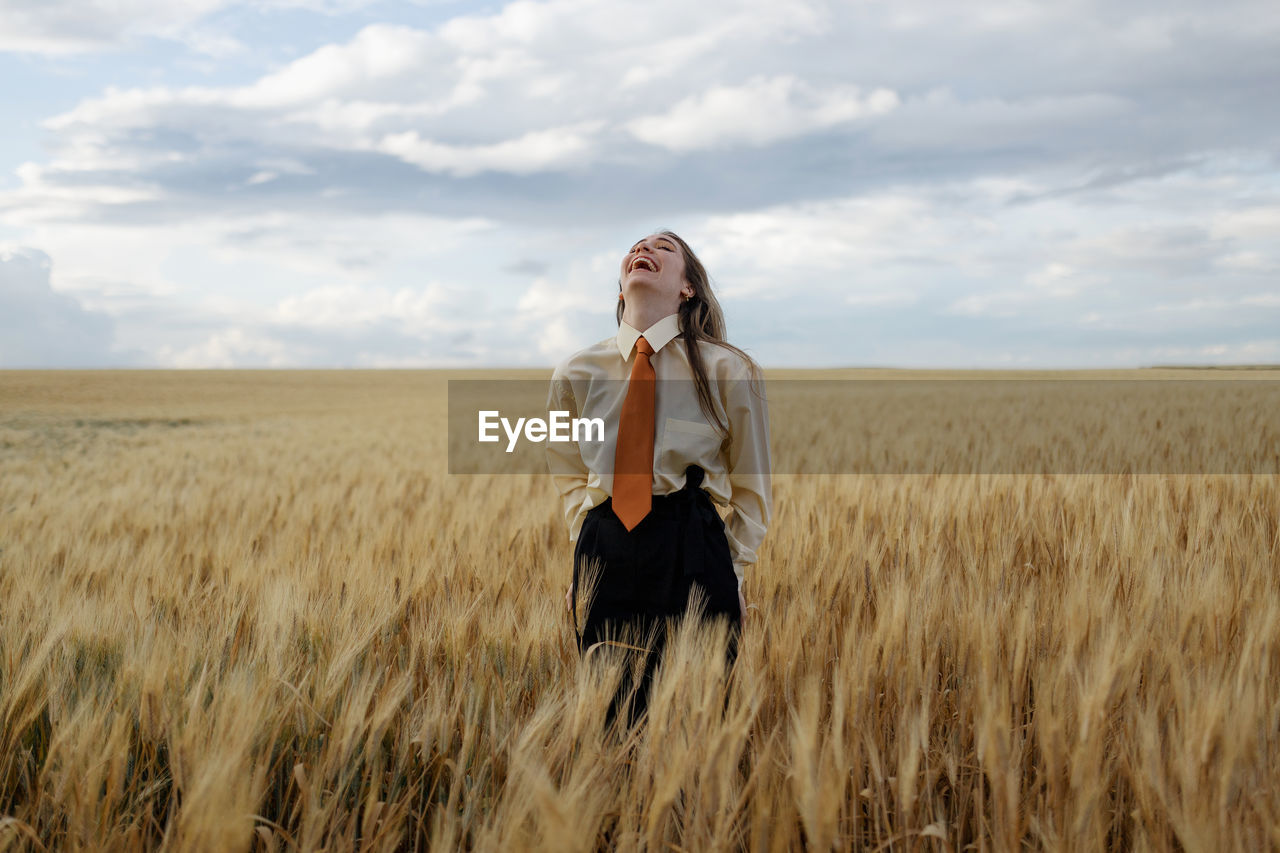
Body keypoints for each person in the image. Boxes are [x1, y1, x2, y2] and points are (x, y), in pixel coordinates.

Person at [545, 230, 772, 729]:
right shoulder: (576, 372)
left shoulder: (727, 369)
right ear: (621, 288)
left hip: (692, 543)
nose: (642, 250)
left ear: (688, 287)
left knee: (700, 718)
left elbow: (753, 485)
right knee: (611, 720)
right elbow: (567, 474)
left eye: (664, 248)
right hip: (604, 543)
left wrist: (733, 570)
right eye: (634, 247)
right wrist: (581, 550)